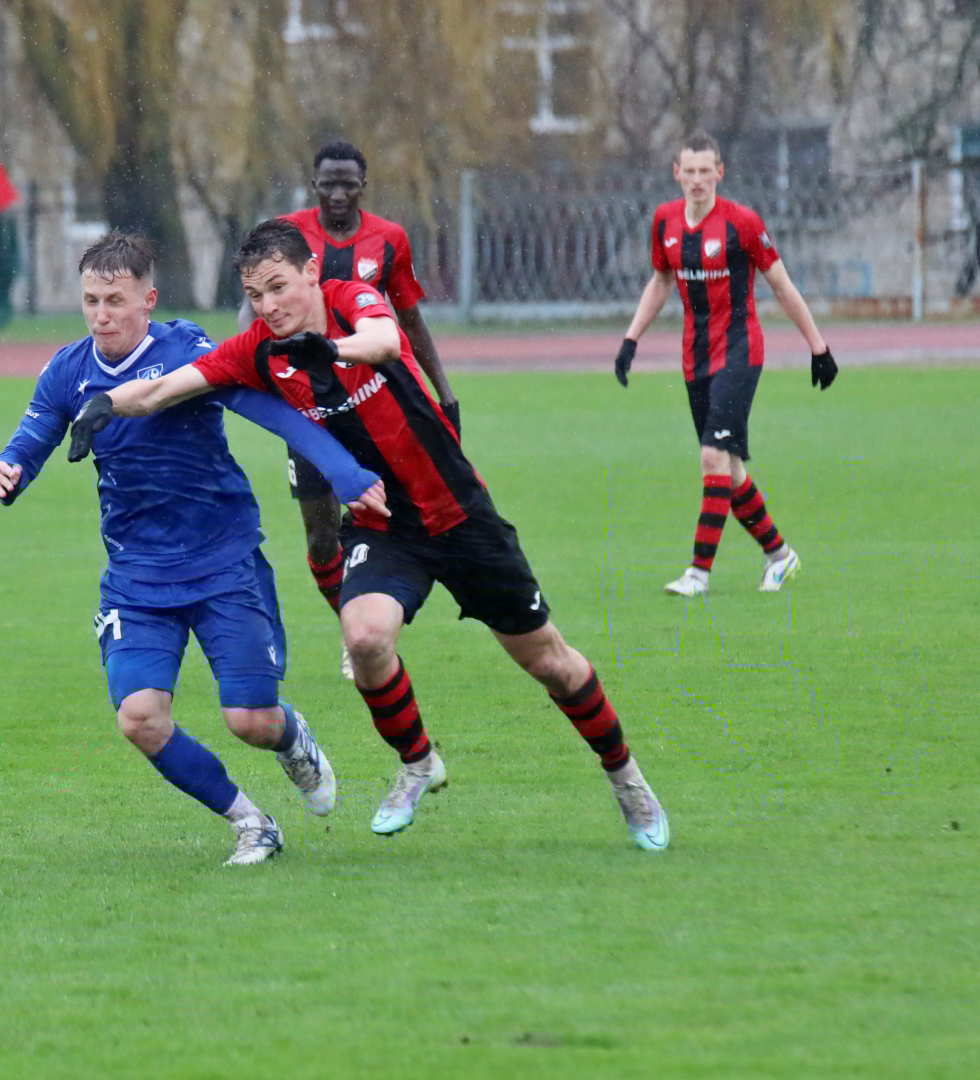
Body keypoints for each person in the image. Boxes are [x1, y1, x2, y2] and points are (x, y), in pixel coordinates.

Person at [72, 220, 669, 851]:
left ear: (311, 273)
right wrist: (104, 405)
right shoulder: (258, 350)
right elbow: (164, 388)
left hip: (461, 516)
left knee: (550, 662)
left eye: (279, 287)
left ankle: (626, 778)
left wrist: (331, 351)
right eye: (255, 294)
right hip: (385, 524)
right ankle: (417, 761)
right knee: (363, 637)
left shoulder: (351, 300)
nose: (269, 305)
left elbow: (384, 340)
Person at [0, 231, 388, 866]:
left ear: (148, 301)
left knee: (250, 721)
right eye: (91, 301)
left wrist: (343, 473)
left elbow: (270, 411)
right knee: (140, 718)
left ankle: (290, 739)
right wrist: (10, 468)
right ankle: (251, 823)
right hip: (137, 576)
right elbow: (35, 432)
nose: (101, 316)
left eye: (115, 301)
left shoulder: (187, 352)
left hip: (224, 562)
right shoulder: (69, 369)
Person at [242, 140, 459, 678]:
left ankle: (366, 630)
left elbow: (409, 320)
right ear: (313, 186)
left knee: (379, 522)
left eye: (348, 184)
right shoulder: (286, 235)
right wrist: (249, 372)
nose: (338, 194)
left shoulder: (389, 240)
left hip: (371, 411)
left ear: (364, 186)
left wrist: (445, 393)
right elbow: (256, 315)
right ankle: (351, 624)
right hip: (308, 413)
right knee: (321, 537)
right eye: (328, 184)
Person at [616, 130, 838, 597]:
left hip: (740, 351)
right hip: (694, 358)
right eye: (689, 171)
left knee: (712, 456)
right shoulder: (664, 221)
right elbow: (661, 281)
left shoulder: (742, 223)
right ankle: (779, 555)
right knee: (729, 468)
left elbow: (781, 285)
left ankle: (698, 573)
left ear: (720, 173)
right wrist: (631, 339)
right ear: (677, 174)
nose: (697, 179)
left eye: (705, 171)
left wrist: (818, 347)